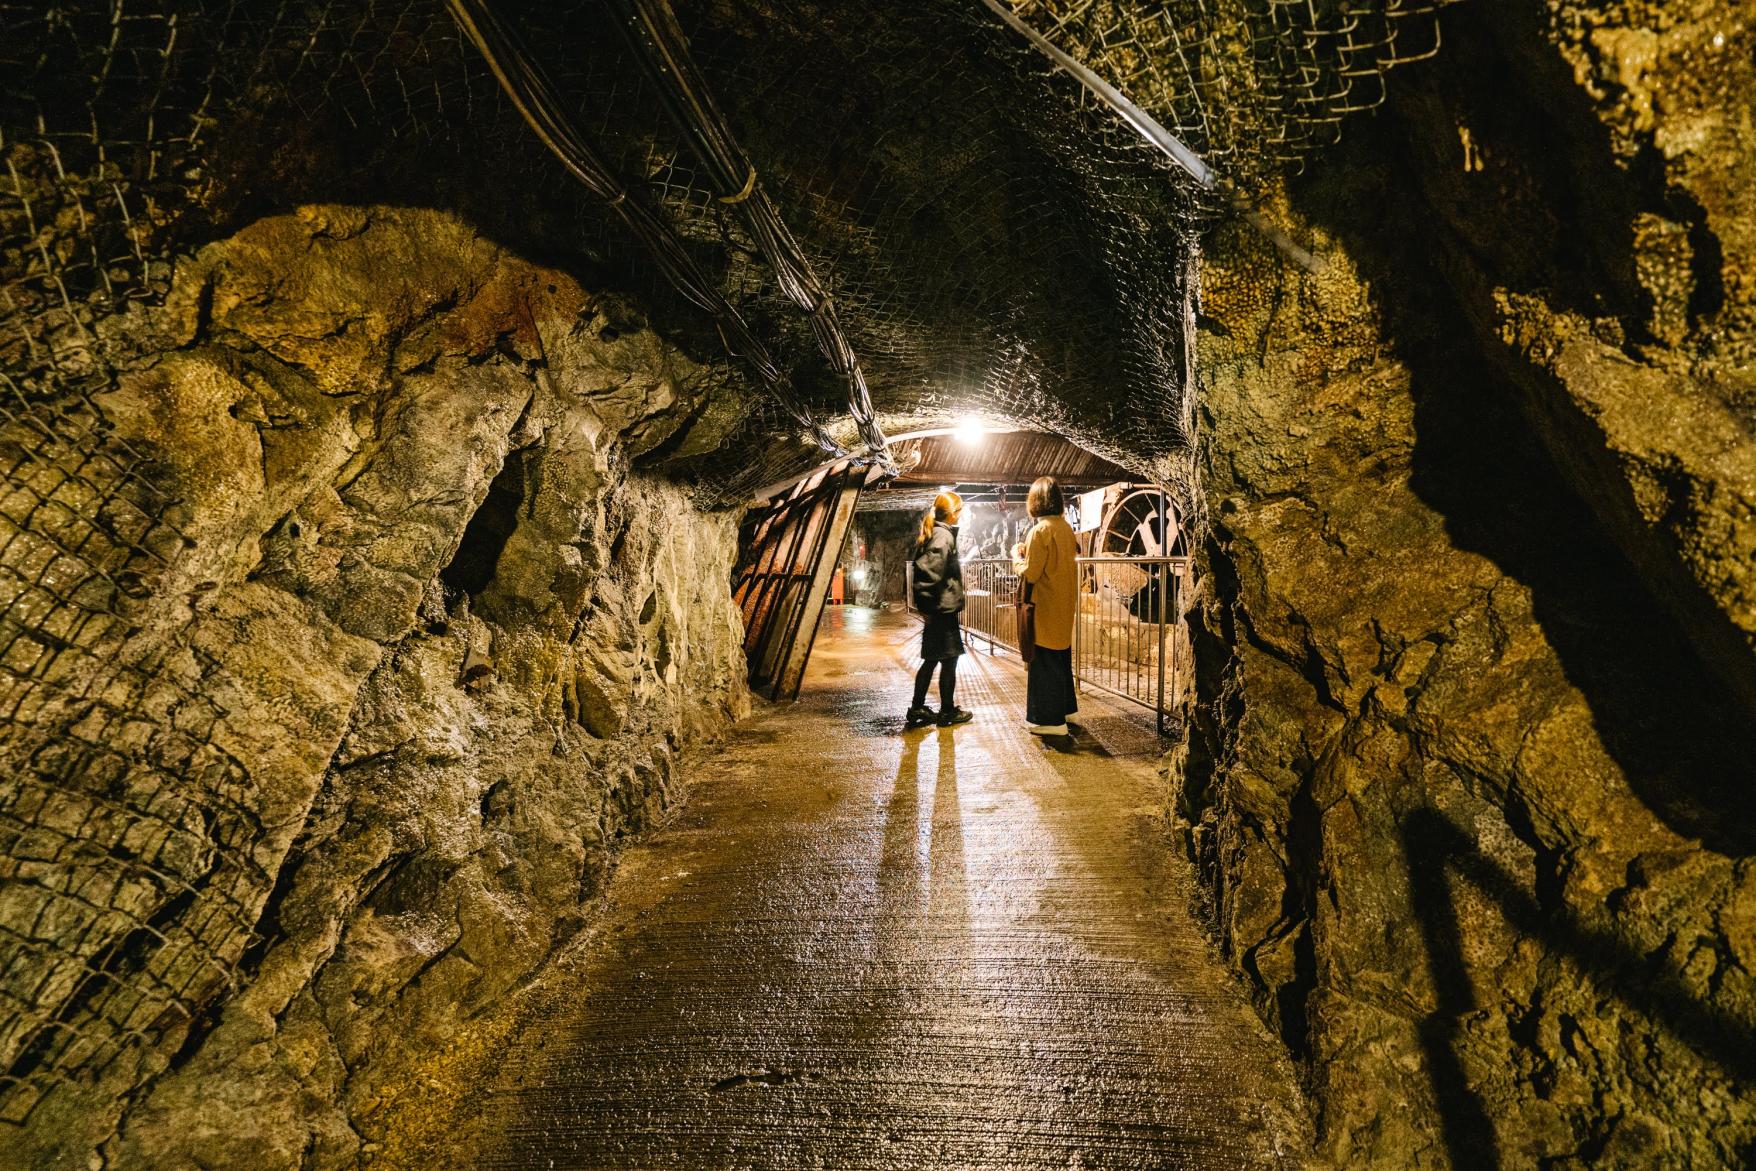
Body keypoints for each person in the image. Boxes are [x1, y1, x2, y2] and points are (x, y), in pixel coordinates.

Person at [1012, 476, 1078, 735]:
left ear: (1035, 501)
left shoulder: (1040, 530)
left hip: (1045, 603)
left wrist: (1015, 558)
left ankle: (1053, 722)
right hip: (1063, 602)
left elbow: (1030, 572)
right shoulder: (1064, 527)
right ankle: (1068, 710)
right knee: (1061, 658)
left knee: (1045, 662)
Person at [907, 491, 974, 729]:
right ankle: (946, 711)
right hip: (940, 611)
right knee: (948, 660)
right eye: (960, 511)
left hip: (938, 610)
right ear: (953, 513)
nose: (961, 515)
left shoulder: (937, 533)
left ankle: (918, 707)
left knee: (933, 660)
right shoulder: (942, 537)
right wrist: (929, 608)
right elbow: (928, 574)